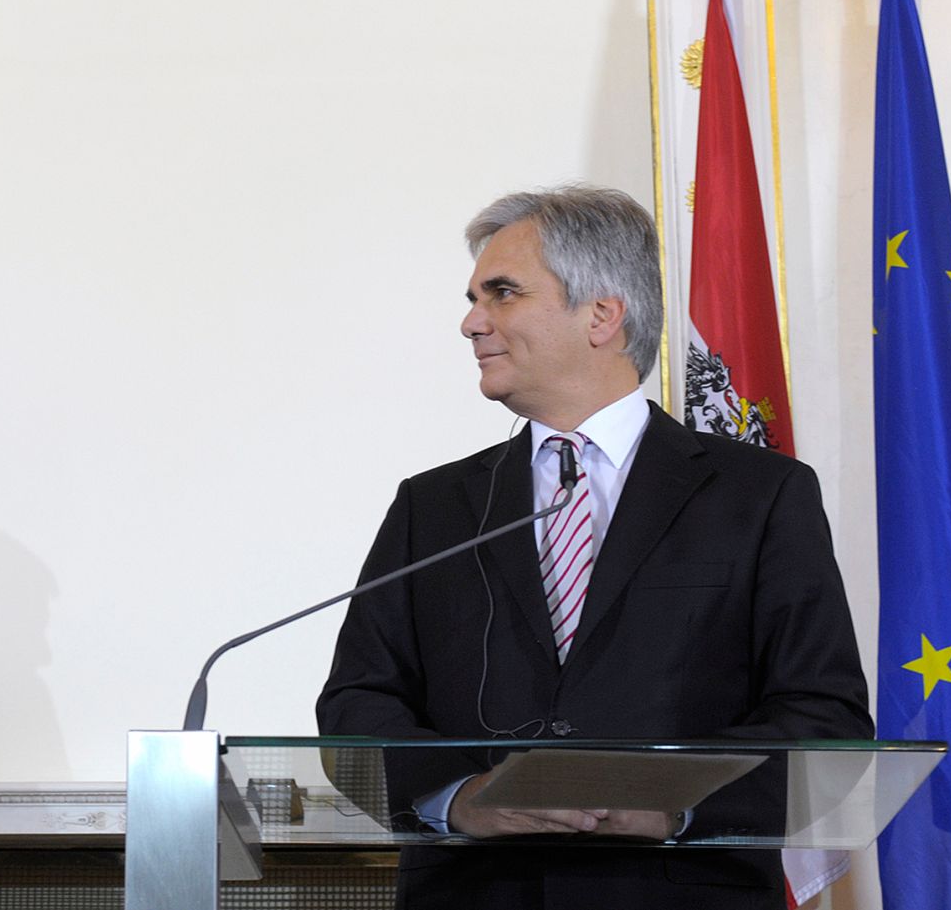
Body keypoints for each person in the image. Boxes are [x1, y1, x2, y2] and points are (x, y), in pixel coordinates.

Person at [316, 185, 871, 910]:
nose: (471, 322)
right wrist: (459, 799)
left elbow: (822, 715)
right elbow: (358, 702)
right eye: (474, 298)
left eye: (502, 293)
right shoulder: (434, 507)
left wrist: (672, 806)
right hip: (478, 894)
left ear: (603, 315)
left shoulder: (760, 495)